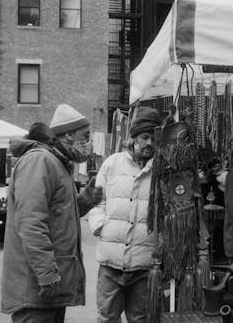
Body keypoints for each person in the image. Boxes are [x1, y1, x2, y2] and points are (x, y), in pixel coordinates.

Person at [1, 105, 103, 323]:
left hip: (48, 289)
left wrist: (85, 201)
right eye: (85, 136)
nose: (88, 142)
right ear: (68, 135)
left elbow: (56, 216)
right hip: (36, 289)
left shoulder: (55, 162)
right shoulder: (40, 161)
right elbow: (31, 223)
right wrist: (46, 274)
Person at [88, 106, 161, 323]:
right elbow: (96, 200)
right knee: (107, 317)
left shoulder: (160, 170)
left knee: (140, 318)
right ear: (134, 138)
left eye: (153, 139)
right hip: (111, 261)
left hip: (143, 263)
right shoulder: (112, 164)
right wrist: (100, 226)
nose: (149, 143)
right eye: (145, 137)